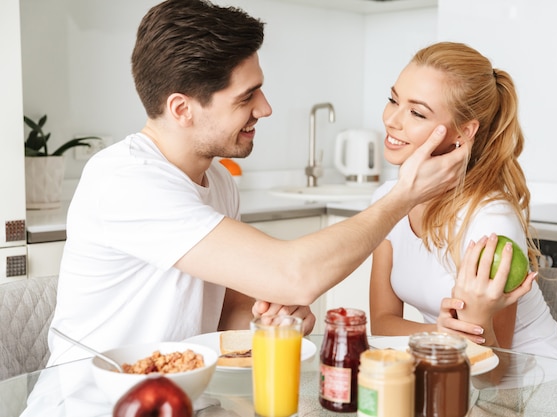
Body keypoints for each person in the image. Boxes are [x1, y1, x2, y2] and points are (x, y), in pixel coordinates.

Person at [45, 0, 468, 368]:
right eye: (247, 97)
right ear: (182, 109)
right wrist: (404, 194)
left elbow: (229, 311)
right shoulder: (126, 182)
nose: (265, 109)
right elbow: (294, 274)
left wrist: (266, 317)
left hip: (176, 397)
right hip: (94, 401)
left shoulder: (216, 179)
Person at [369, 42, 557, 361]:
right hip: (452, 367)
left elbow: (498, 366)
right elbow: (382, 325)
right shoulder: (388, 201)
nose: (391, 120)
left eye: (417, 112)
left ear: (463, 133)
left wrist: (444, 337)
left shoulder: (490, 220)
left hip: (532, 385)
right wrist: (441, 335)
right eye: (393, 99)